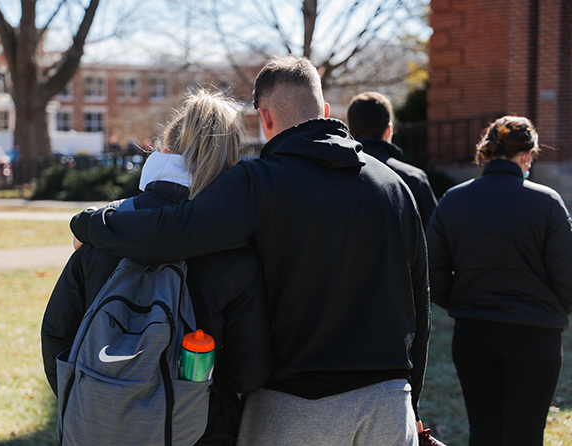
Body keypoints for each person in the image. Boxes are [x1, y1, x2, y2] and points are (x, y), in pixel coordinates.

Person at [71, 55, 431, 446]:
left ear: (266, 117)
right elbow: (420, 309)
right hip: (390, 402)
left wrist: (88, 223)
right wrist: (410, 401)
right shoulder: (396, 188)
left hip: (295, 405)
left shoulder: (258, 182)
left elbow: (171, 233)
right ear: (325, 111)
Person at [42, 89, 272, 445]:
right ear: (230, 165)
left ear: (164, 150)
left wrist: (99, 399)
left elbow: (58, 332)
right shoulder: (233, 249)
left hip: (98, 423)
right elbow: (248, 369)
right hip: (198, 430)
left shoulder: (106, 229)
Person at [426, 116, 572, 445]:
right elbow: (568, 276)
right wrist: (548, 308)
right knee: (526, 435)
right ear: (527, 155)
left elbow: (433, 272)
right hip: (535, 335)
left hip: (474, 332)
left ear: (486, 153)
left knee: (484, 433)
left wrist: (464, 301)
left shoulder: (452, 200)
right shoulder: (547, 203)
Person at [347, 91, 437, 227]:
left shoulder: (336, 177)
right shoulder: (413, 179)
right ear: (389, 130)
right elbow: (432, 234)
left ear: (350, 131)